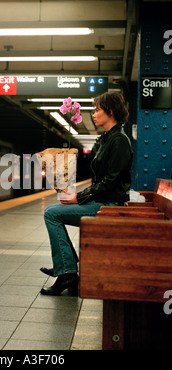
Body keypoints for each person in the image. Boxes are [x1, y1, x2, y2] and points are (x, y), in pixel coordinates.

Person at [40, 91, 133, 296]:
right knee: (54, 211)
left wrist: (79, 197)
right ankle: (67, 269)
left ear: (110, 111)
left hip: (110, 205)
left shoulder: (119, 141)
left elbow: (110, 182)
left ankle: (67, 272)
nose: (94, 114)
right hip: (103, 201)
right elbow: (102, 180)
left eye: (98, 110)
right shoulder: (109, 138)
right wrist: (77, 194)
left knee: (51, 214)